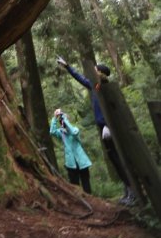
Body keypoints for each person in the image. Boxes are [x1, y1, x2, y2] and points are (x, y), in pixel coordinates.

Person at [56, 56, 135, 205]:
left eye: (95, 70)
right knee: (114, 159)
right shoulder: (95, 86)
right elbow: (80, 78)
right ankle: (128, 189)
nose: (92, 72)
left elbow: (112, 109)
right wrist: (67, 66)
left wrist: (108, 125)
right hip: (103, 128)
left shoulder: (105, 87)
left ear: (100, 73)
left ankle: (132, 190)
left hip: (110, 128)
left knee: (120, 158)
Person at [50, 108, 92, 193]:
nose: (63, 121)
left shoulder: (75, 129)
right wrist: (55, 118)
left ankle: (89, 197)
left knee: (86, 183)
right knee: (74, 185)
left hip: (82, 162)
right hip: (70, 163)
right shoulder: (61, 132)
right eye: (62, 120)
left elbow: (74, 133)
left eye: (64, 120)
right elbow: (52, 131)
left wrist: (65, 120)